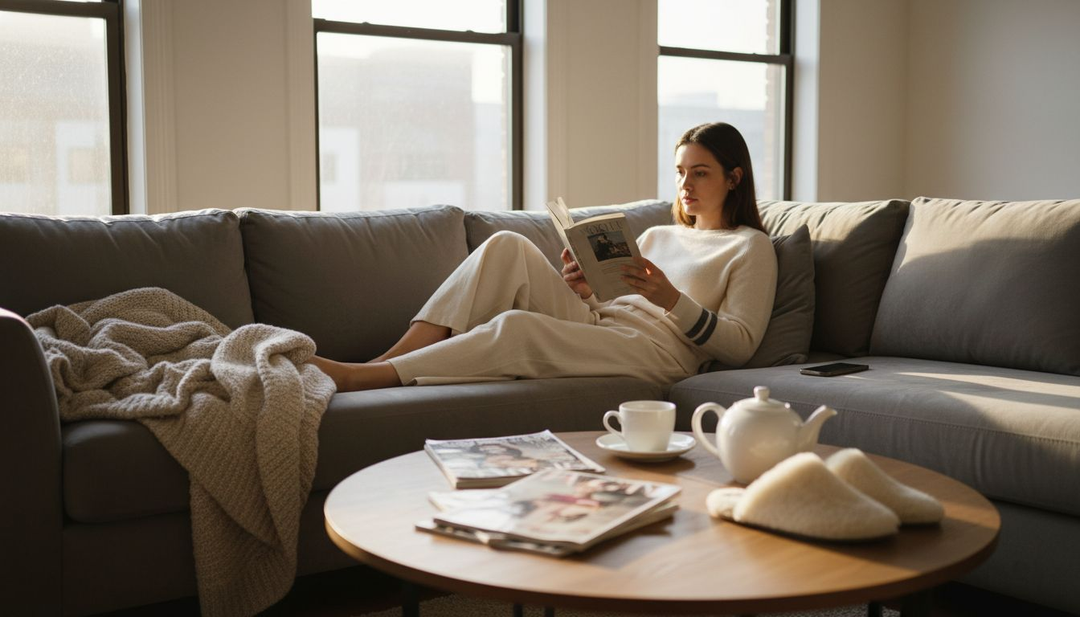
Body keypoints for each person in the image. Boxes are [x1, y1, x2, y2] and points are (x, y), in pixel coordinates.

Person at [311, 122, 777, 391]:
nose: (685, 186)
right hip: (607, 328)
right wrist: (586, 291)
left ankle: (367, 380)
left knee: (519, 328)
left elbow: (740, 344)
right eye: (680, 173)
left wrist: (672, 298)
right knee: (506, 246)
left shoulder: (749, 246)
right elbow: (612, 306)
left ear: (734, 178)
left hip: (660, 354)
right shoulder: (658, 234)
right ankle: (380, 361)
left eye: (700, 173)